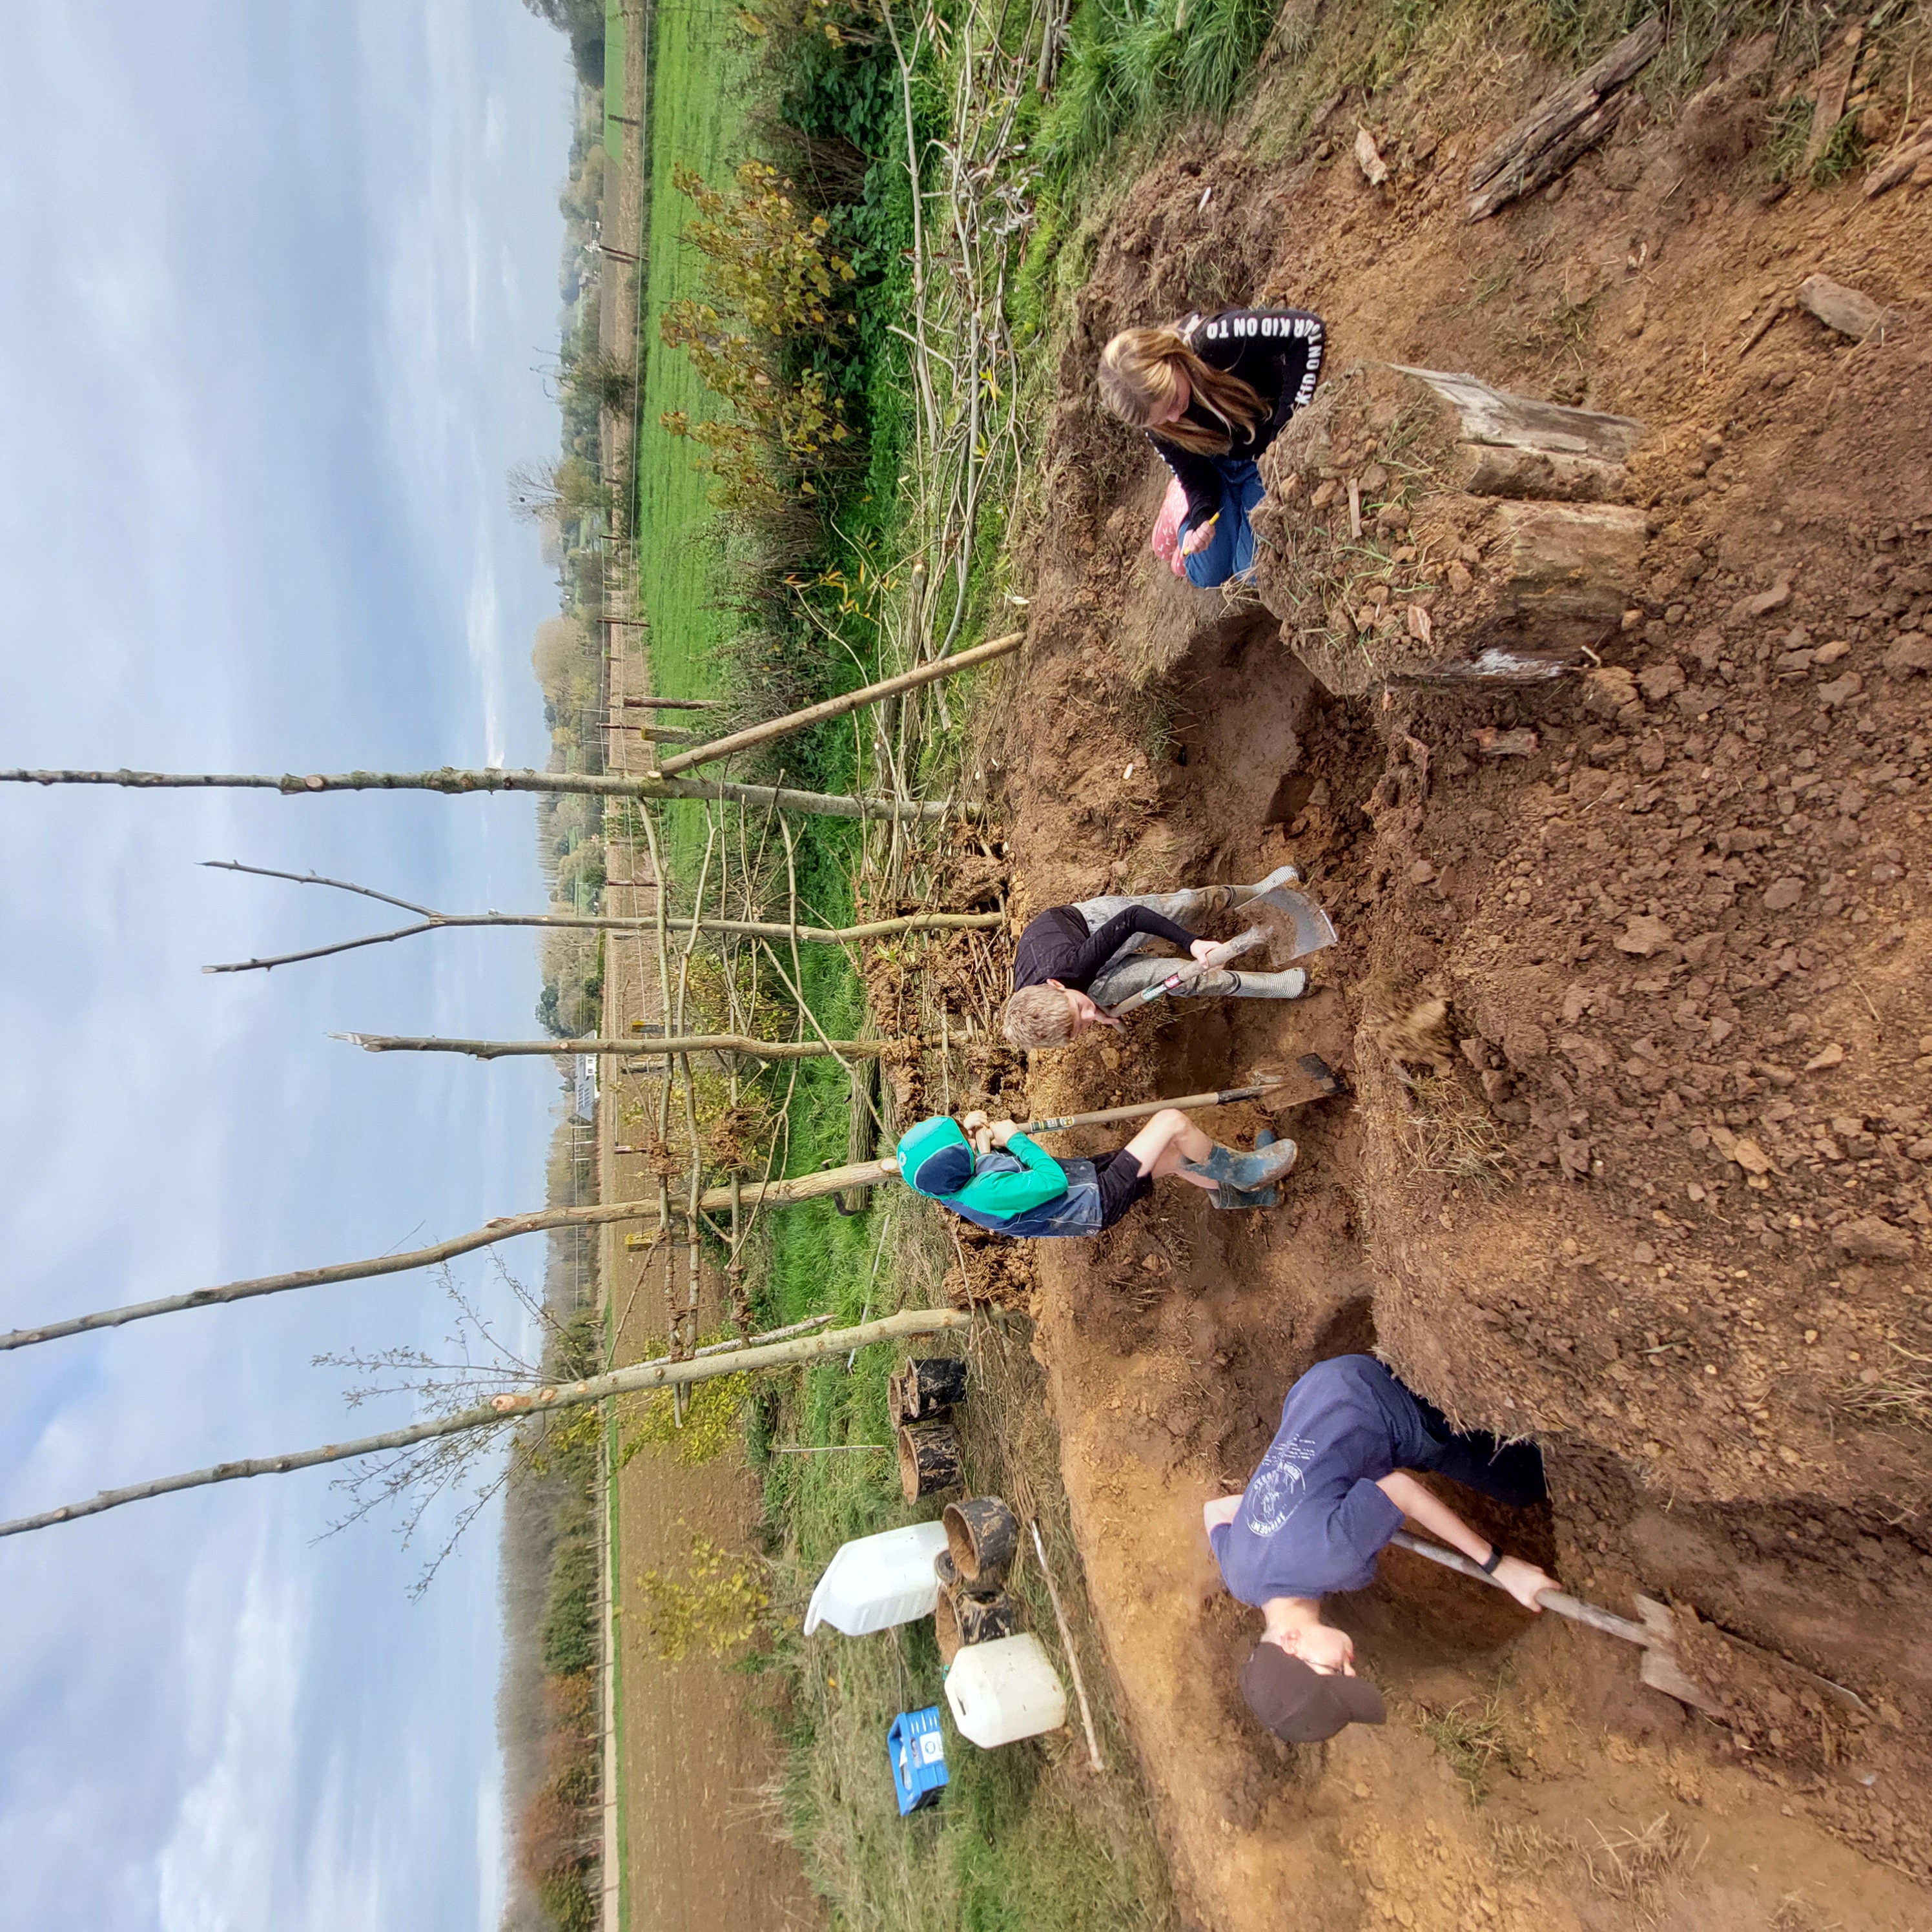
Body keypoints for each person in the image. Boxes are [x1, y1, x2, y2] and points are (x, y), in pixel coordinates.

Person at [1202, 1354, 1558, 1744]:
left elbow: (1402, 1491)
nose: (1351, 1672)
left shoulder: (1336, 1560)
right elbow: (1215, 1510)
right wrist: (1286, 1508)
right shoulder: (1239, 1576)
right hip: (1317, 1390)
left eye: (1336, 1674)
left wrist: (1498, 1565)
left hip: (1378, 1396)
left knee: (1526, 1481)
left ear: (1291, 1645)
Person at [1098, 304, 1326, 589]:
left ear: (1171, 358)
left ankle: (1229, 512)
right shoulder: (1154, 418)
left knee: (1251, 570)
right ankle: (1181, 512)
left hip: (1262, 456)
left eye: (1172, 400)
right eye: (1161, 419)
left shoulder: (1214, 340)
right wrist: (1201, 516)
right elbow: (1192, 473)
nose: (1174, 417)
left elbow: (1307, 330)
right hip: (1216, 466)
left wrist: (1283, 432)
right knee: (1206, 572)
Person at [1002, 867, 1311, 1051]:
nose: (1088, 1018)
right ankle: (1271, 984)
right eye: (1077, 1029)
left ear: (1056, 986)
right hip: (1086, 980)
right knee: (1180, 979)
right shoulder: (1044, 1021)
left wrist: (1192, 944)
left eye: (1080, 1011)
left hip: (1087, 926)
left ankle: (1258, 891)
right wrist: (1093, 1011)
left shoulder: (1070, 966)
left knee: (1186, 906)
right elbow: (1074, 1009)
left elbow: (1133, 918)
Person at [893, 1109, 1300, 1229]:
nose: (969, 1140)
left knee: (1172, 1157)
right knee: (1172, 1123)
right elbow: (1050, 1181)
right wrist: (1015, 1138)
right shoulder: (986, 1193)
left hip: (1085, 1182)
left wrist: (978, 1135)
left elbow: (981, 1168)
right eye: (963, 1142)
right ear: (957, 1167)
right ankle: (1245, 1173)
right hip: (1094, 1200)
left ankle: (1238, 1195)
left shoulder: (956, 1187)